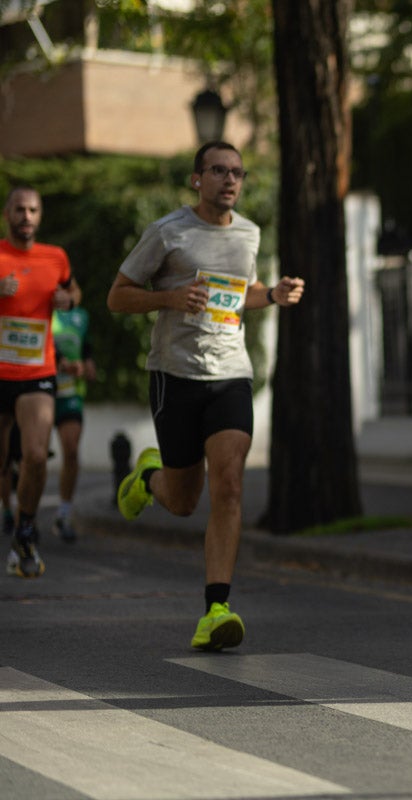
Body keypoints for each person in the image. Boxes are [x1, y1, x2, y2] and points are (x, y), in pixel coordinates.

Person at [107, 141, 304, 651]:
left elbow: (243, 292)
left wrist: (272, 296)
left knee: (231, 484)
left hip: (231, 375)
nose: (230, 180)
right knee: (182, 501)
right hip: (175, 376)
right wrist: (168, 297)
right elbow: (117, 295)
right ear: (197, 179)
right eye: (218, 170)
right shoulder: (167, 232)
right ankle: (150, 477)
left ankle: (217, 608)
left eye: (237, 172)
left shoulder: (249, 233)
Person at [0, 186, 82, 578]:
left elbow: (72, 289)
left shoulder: (56, 257)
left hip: (36, 371)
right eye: (19, 209)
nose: (26, 216)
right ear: (7, 214)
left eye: (33, 210)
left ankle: (25, 530)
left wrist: (68, 299)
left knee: (35, 454)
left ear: (40, 216)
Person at [51, 304, 96, 542]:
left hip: (70, 392)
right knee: (32, 457)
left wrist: (88, 363)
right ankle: (16, 515)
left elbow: (86, 348)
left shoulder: (81, 316)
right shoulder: (40, 308)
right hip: (39, 391)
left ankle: (64, 514)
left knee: (70, 450)